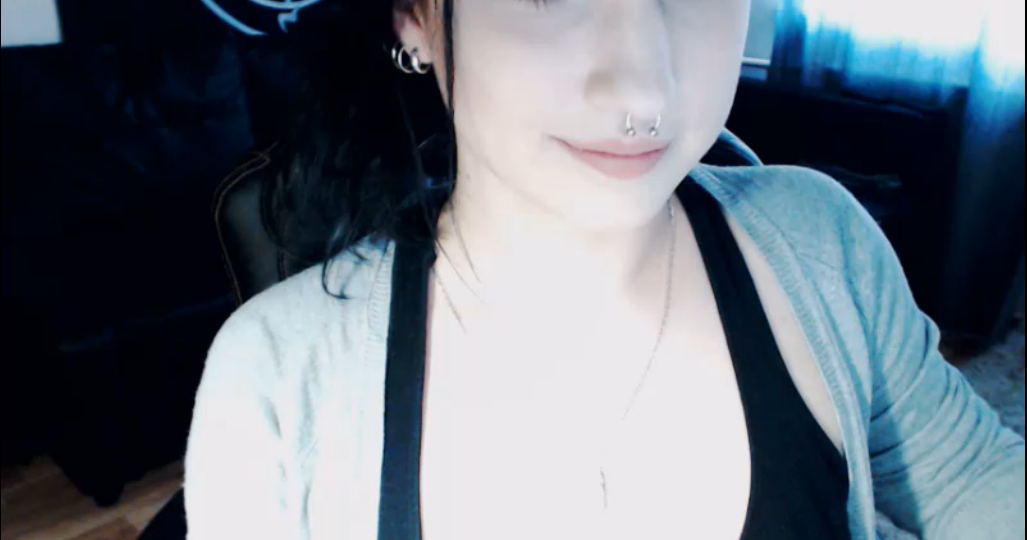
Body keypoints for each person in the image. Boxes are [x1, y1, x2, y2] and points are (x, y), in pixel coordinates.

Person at [183, 1, 1025, 539]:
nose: (640, 87)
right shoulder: (276, 382)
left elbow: (967, 480)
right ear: (415, 17)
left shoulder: (820, 241)